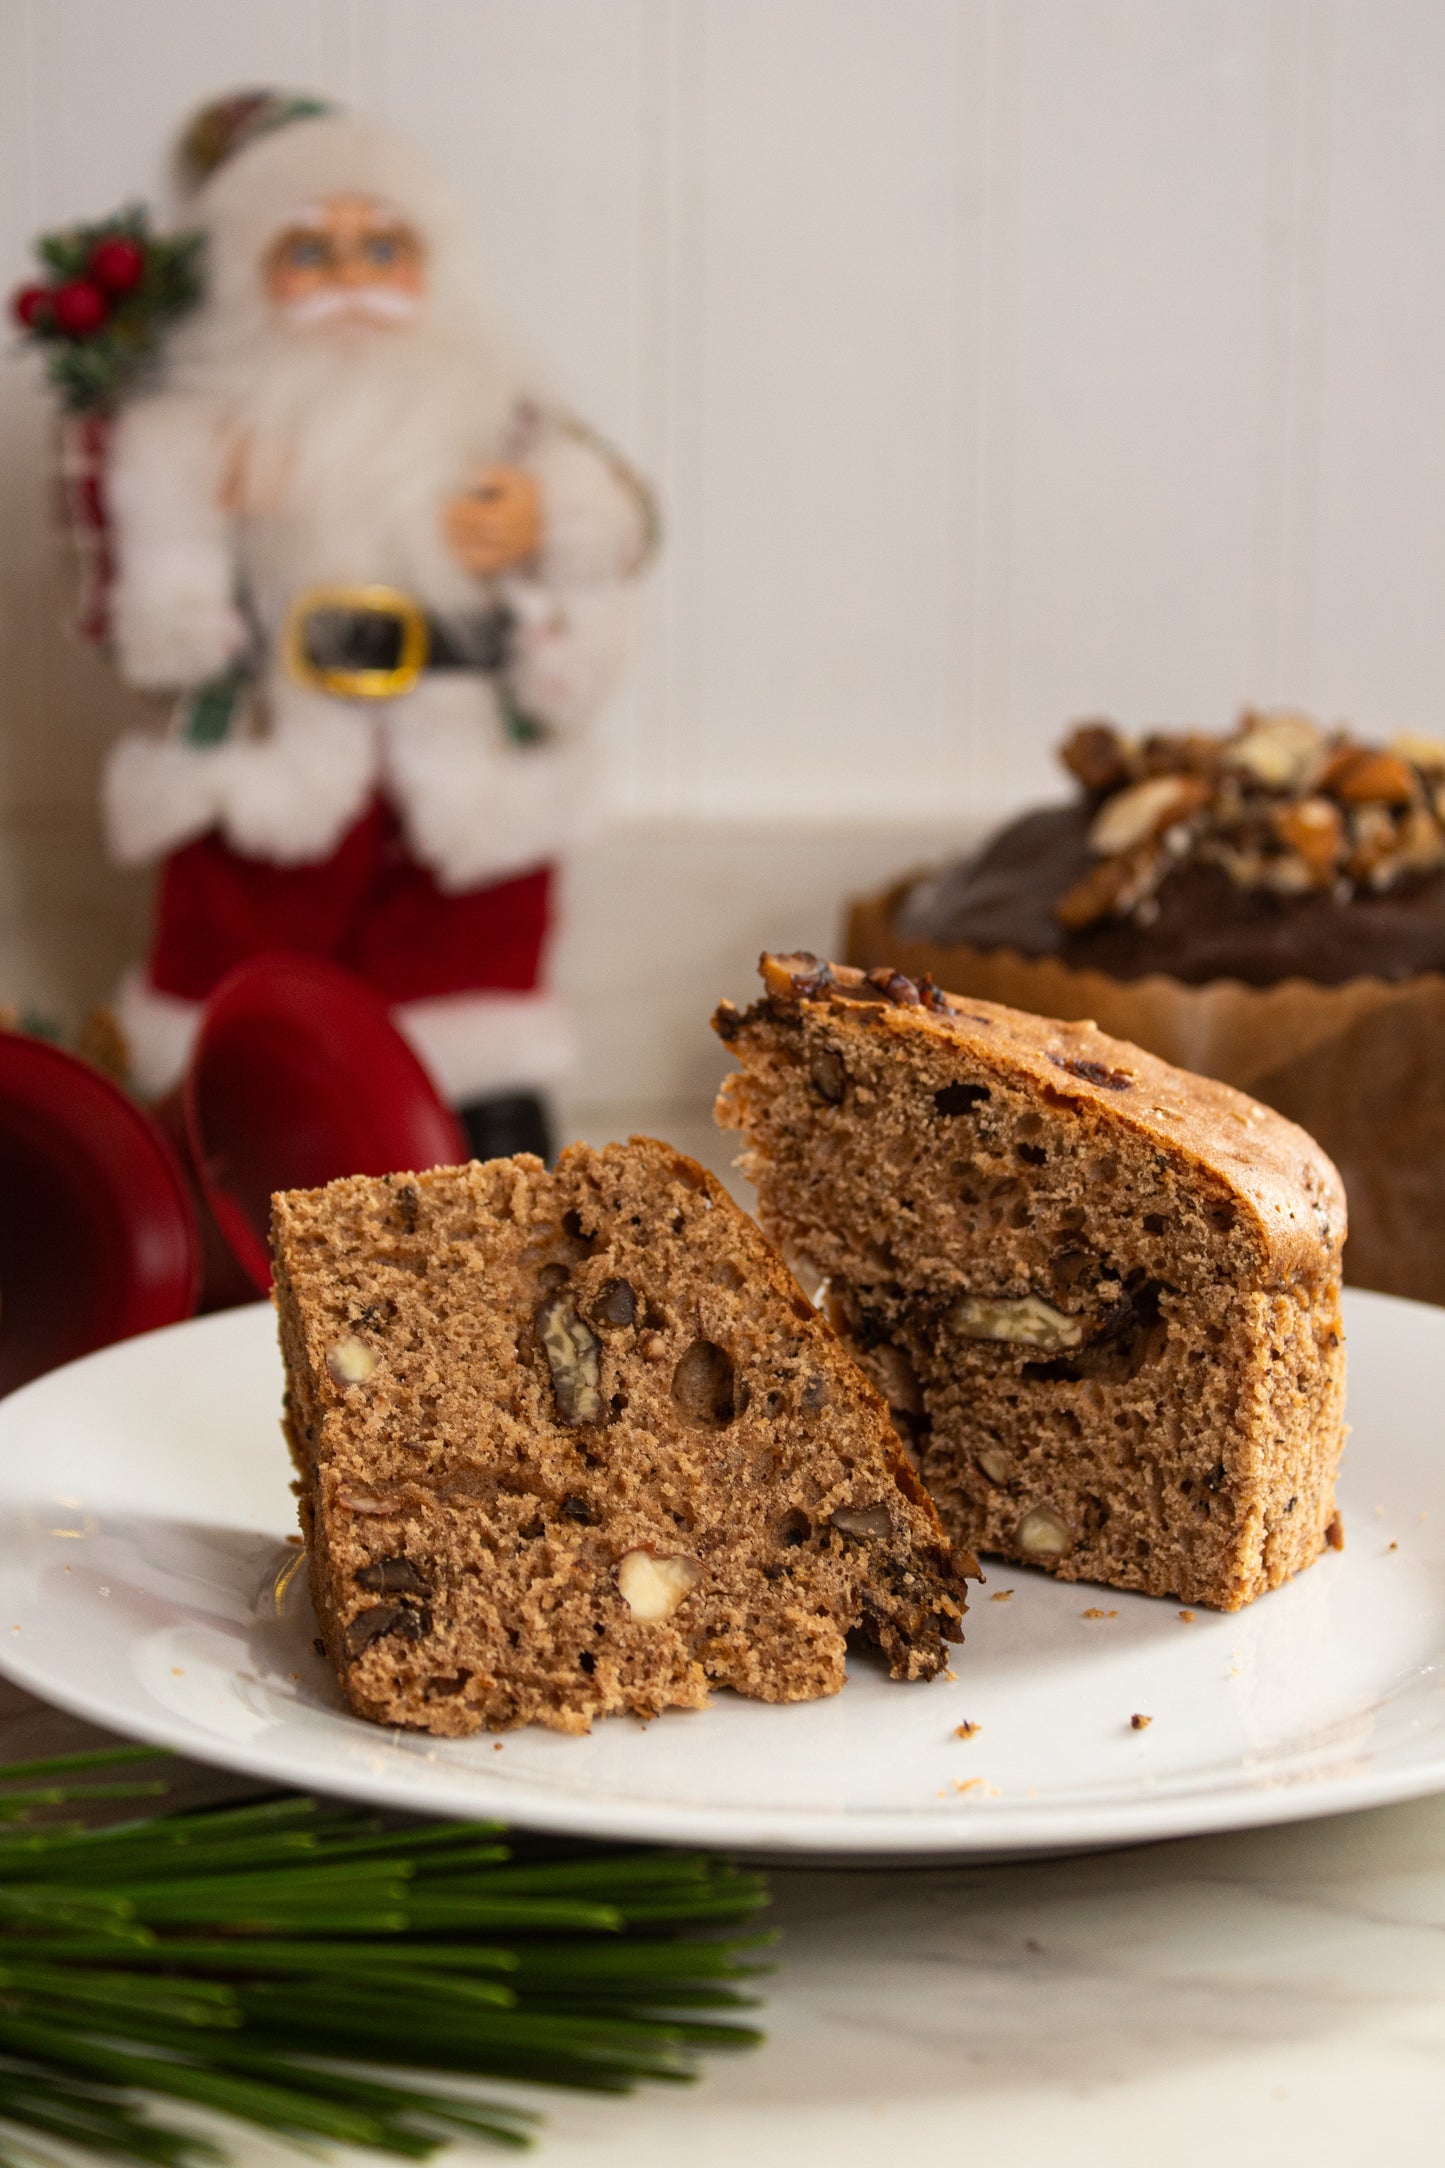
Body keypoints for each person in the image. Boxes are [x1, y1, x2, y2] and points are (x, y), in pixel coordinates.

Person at [104, 93, 655, 1158]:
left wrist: (547, 513)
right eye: (309, 250)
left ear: (429, 265)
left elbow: (614, 521)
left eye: (381, 246)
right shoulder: (199, 432)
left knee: (469, 948)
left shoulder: (500, 414)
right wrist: (204, 513)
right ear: (247, 274)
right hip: (277, 744)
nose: (352, 277)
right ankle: (232, 1124)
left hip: (458, 749)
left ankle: (486, 1118)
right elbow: (150, 614)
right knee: (244, 936)